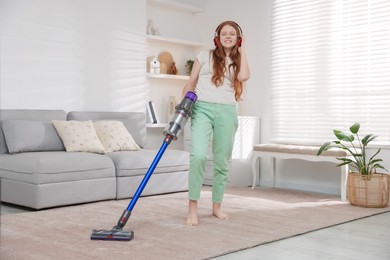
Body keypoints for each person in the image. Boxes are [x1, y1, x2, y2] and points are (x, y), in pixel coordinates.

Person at [181, 21, 250, 226]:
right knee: (199, 155)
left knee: (222, 161)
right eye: (223, 33)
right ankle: (192, 208)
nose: (227, 36)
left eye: (232, 34)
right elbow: (190, 82)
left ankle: (216, 207)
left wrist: (242, 48)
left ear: (238, 37)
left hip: (227, 111)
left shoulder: (238, 60)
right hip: (202, 108)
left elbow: (244, 76)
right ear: (217, 36)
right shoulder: (203, 55)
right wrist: (182, 105)